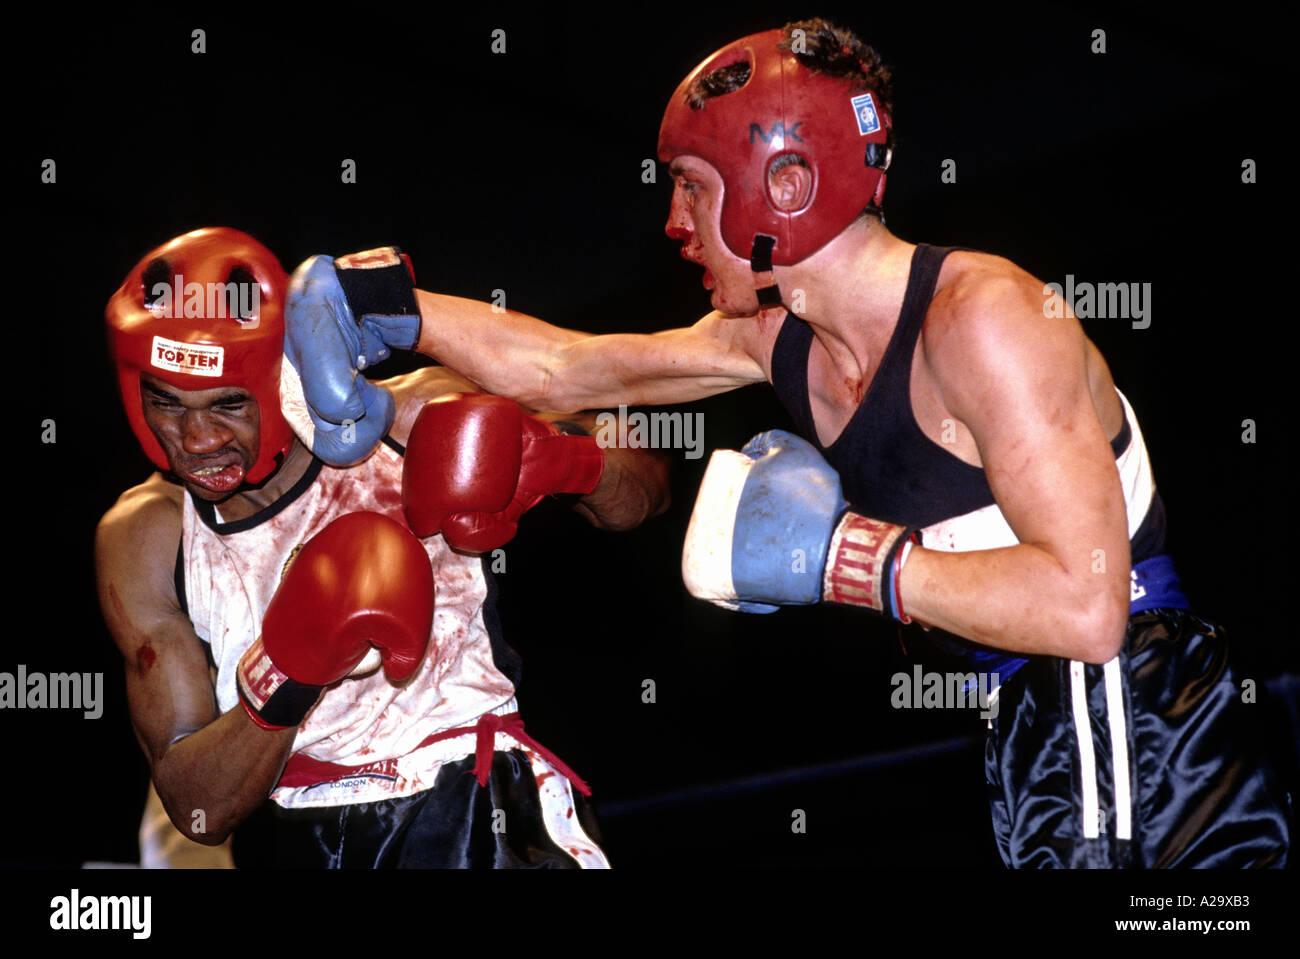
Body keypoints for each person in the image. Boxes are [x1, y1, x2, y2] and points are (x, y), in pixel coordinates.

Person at [284, 19, 1293, 868]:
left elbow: (1084, 607)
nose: (674, 221)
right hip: (1022, 718)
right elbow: (574, 367)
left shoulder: (985, 316)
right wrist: (393, 308)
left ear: (785, 183)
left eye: (690, 184)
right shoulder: (781, 336)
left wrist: (846, 559)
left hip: (1133, 712)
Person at [94, 227, 670, 869]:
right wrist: (285, 671)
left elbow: (647, 493)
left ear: (273, 376)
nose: (197, 439)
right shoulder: (147, 534)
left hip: (473, 808)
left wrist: (565, 459)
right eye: (166, 404)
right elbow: (198, 808)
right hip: (293, 841)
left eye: (228, 405)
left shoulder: (407, 419)